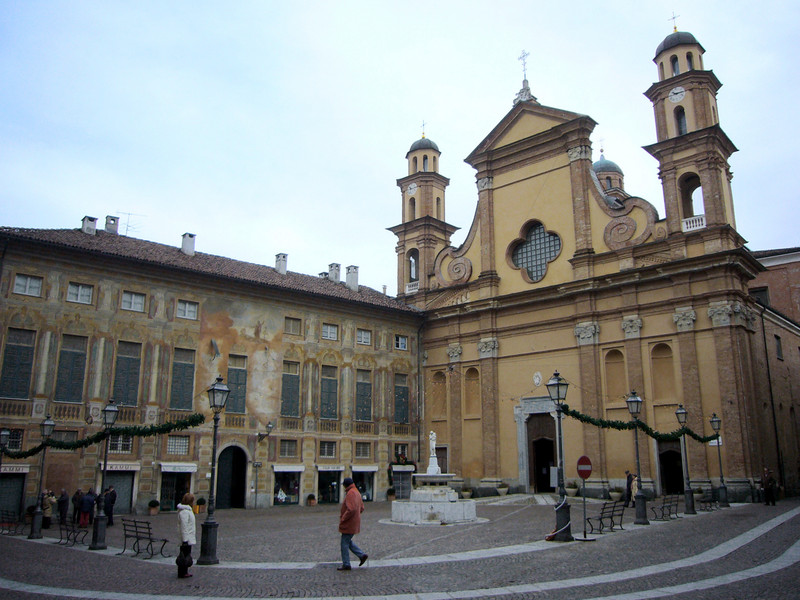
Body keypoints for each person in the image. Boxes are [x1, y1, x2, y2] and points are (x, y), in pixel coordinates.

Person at [337, 477, 368, 571]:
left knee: (344, 543)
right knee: (347, 541)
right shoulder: (356, 492)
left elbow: (351, 509)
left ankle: (346, 564)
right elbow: (361, 508)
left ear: (345, 485)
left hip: (349, 522)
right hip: (354, 521)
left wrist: (343, 518)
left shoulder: (350, 493)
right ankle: (361, 555)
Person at [176, 493, 196, 578]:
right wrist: (185, 540)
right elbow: (184, 526)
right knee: (184, 556)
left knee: (186, 555)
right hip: (186, 538)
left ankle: (184, 571)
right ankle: (182, 572)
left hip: (188, 537)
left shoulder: (188, 510)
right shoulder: (185, 512)